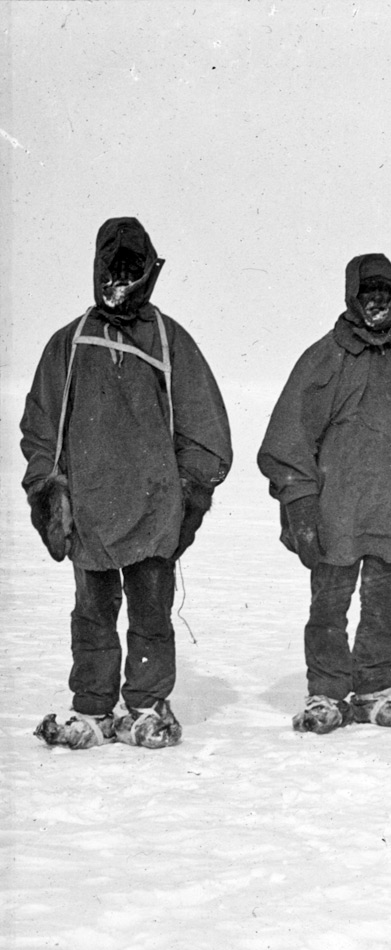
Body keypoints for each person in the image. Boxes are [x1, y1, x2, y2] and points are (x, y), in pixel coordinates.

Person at [22, 216, 233, 750]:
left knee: (151, 615)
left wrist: (189, 495)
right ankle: (92, 708)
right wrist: (47, 493)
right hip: (89, 512)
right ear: (97, 270)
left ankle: (146, 705)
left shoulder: (168, 340)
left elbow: (205, 430)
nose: (120, 278)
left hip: (154, 510)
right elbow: (40, 427)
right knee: (92, 615)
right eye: (111, 267)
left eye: (130, 267)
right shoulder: (68, 344)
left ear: (146, 272)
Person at [258, 254, 391, 735]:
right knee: (329, 606)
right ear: (352, 297)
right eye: (366, 293)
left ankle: (373, 689)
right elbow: (288, 437)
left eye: (383, 293)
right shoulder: (324, 358)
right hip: (337, 515)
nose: (375, 302)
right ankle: (325, 694)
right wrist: (301, 506)